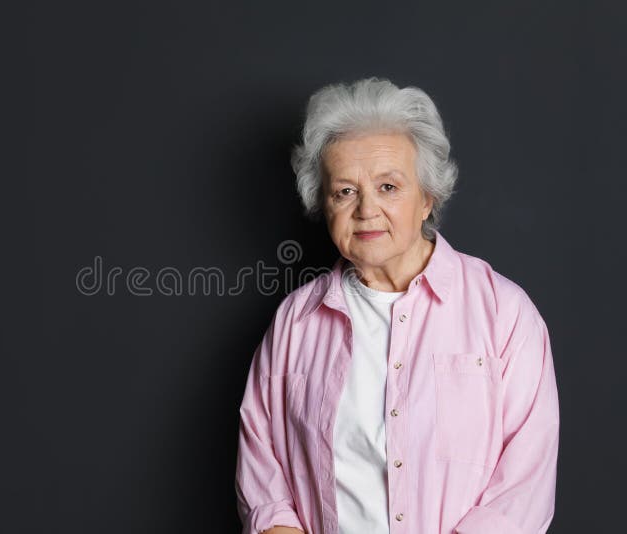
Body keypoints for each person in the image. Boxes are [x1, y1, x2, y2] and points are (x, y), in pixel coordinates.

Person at [234, 77, 560, 534]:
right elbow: (262, 470)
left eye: (388, 187)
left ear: (427, 197)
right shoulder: (294, 321)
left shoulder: (504, 314)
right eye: (345, 191)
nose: (366, 210)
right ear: (323, 203)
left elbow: (523, 488)